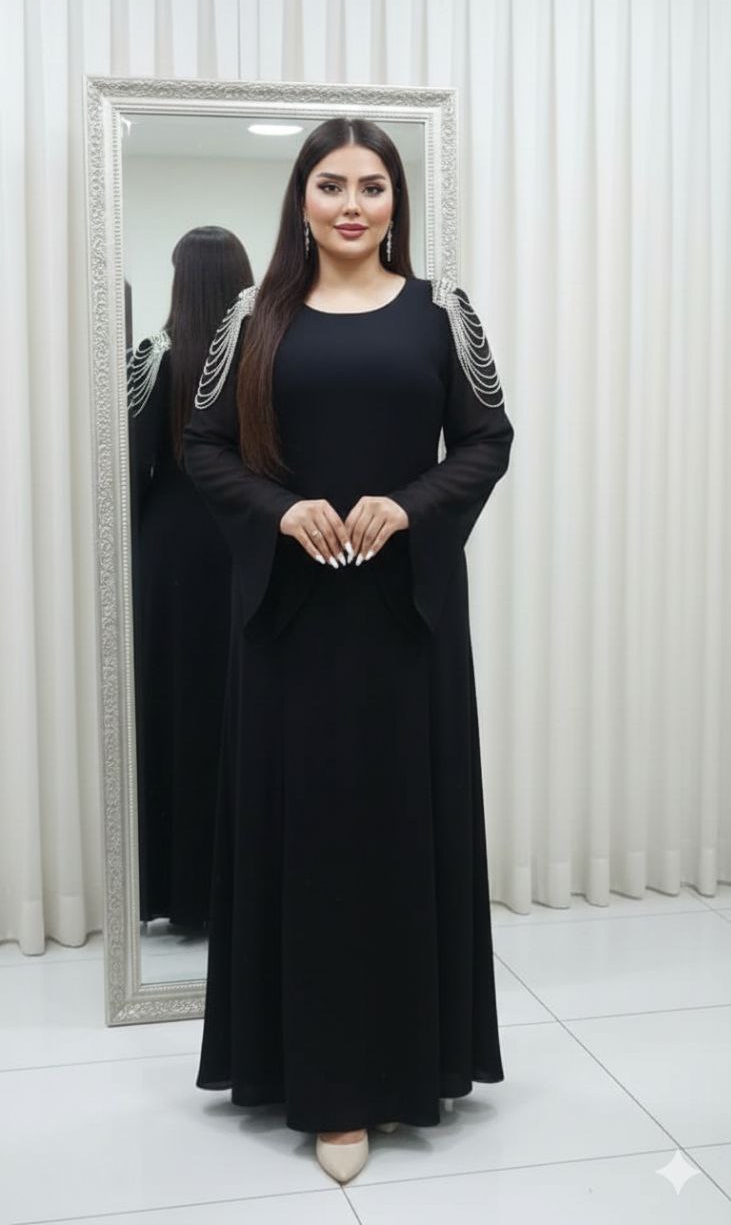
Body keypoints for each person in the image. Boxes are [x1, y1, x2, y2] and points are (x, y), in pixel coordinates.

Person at [183, 117, 515, 1184]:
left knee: (397, 830)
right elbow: (203, 448)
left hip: (404, 623)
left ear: (394, 200)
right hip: (290, 625)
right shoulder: (251, 319)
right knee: (311, 839)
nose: (352, 204)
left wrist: (409, 504)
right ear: (302, 199)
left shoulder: (441, 314)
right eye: (330, 185)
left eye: (371, 186)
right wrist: (277, 511)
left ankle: (408, 1066)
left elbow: (487, 441)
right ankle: (322, 1084)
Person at [127, 226, 253, 932]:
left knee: (176, 707)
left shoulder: (155, 357)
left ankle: (177, 892)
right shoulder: (265, 354)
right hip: (246, 540)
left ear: (180, 279)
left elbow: (130, 470)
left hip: (171, 551)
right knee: (243, 707)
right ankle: (242, 888)